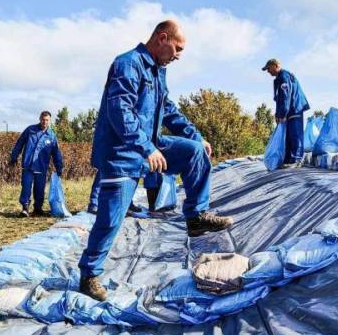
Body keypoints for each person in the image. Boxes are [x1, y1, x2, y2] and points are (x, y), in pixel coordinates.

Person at [77, 19, 233, 301]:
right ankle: (89, 274)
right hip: (121, 153)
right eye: (178, 48)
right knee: (110, 220)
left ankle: (196, 216)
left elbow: (168, 110)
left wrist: (195, 136)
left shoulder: (158, 72)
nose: (178, 56)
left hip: (151, 143)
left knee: (194, 151)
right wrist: (146, 148)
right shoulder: (128, 64)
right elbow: (119, 110)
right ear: (162, 38)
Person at [9, 111, 64, 217]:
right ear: (40, 119)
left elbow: (56, 153)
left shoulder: (51, 136)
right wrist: (14, 157)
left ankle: (37, 209)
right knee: (26, 187)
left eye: (47, 120)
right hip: (28, 165)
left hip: (41, 167)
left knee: (40, 189)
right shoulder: (30, 130)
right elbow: (19, 143)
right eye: (43, 119)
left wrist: (59, 167)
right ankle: (25, 209)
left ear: (50, 121)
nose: (44, 122)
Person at [262, 58, 309, 166]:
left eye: (268, 68)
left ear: (275, 65)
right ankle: (288, 159)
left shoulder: (284, 77)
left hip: (294, 108)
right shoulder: (279, 78)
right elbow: (279, 99)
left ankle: (296, 160)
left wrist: (282, 114)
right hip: (289, 110)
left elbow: (285, 97)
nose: (268, 71)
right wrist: (278, 114)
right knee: (287, 135)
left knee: (295, 134)